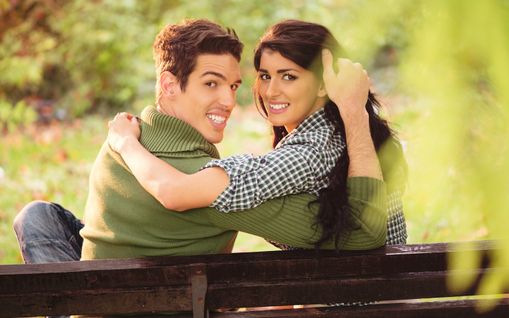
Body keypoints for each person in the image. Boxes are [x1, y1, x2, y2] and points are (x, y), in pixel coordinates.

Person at [13, 19, 390, 266]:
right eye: (211, 83)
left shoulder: (123, 137)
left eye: (233, 86)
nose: (228, 101)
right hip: (155, 304)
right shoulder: (209, 188)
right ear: (169, 85)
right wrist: (353, 112)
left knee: (39, 215)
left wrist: (127, 144)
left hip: (102, 292)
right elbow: (362, 235)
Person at [108, 20, 407, 248]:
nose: (271, 90)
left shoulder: (309, 151)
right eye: (265, 76)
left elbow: (174, 192)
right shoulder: (345, 136)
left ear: (322, 86)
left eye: (288, 76)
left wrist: (125, 142)